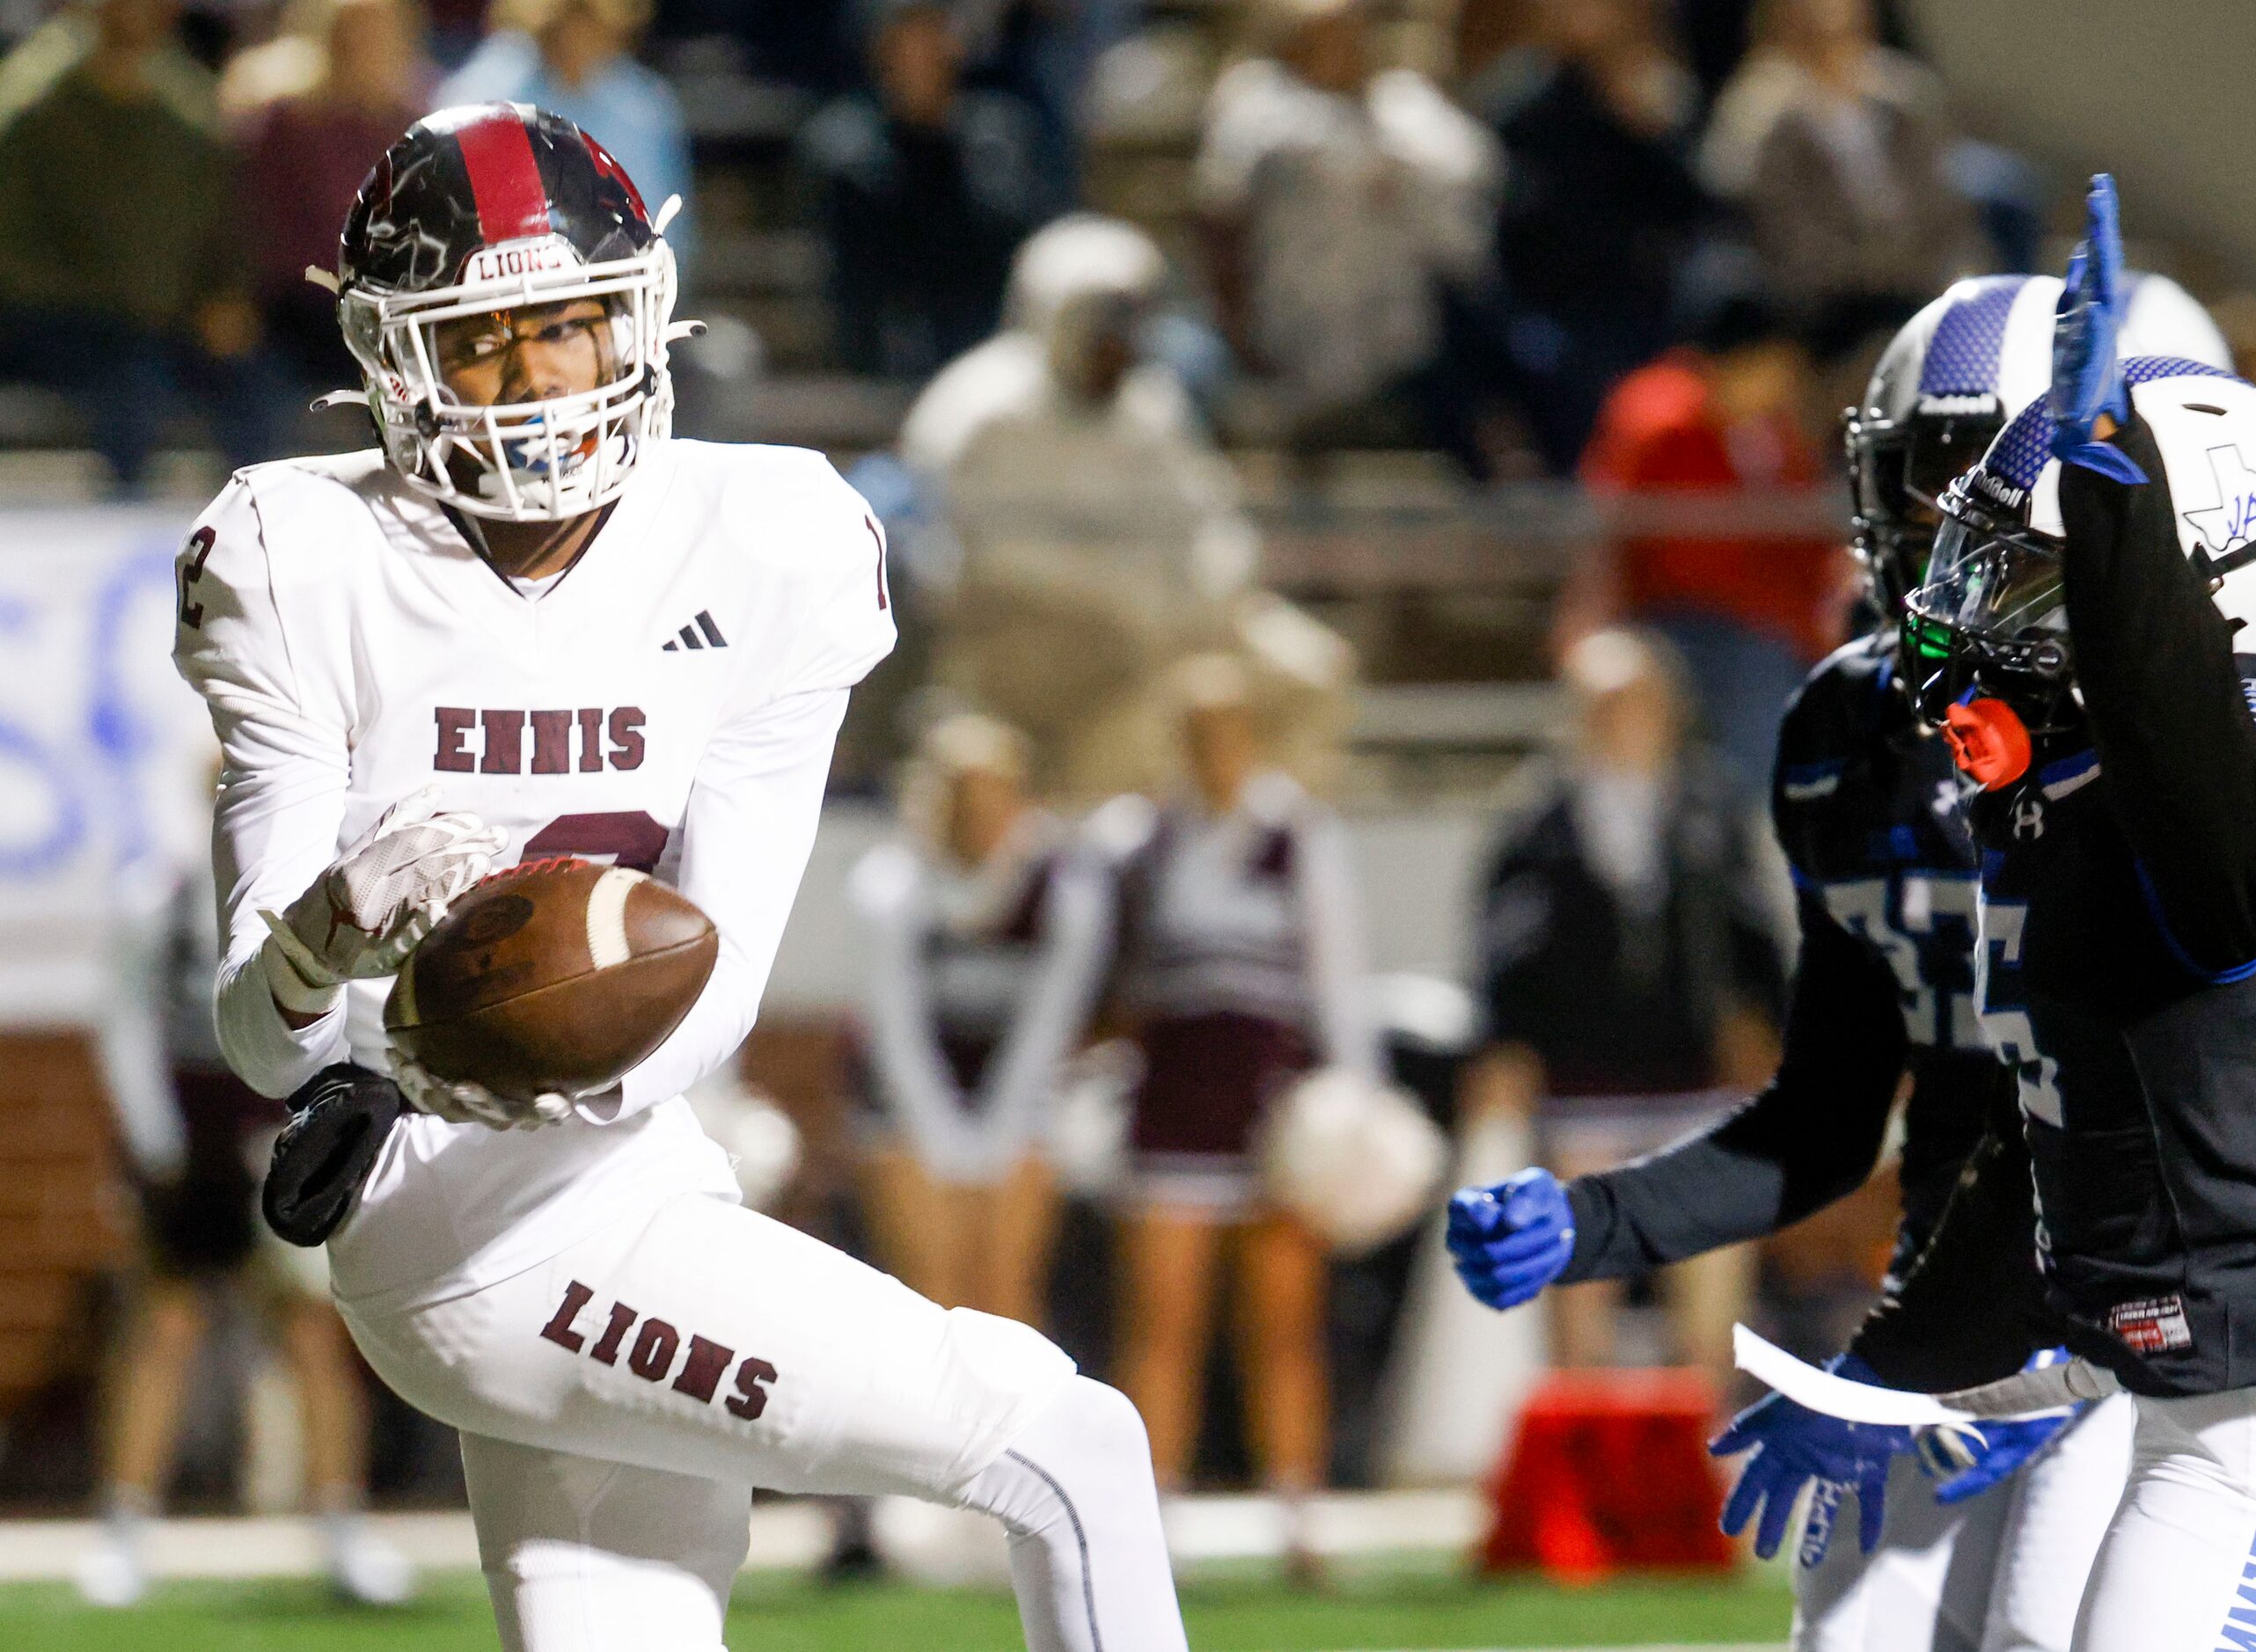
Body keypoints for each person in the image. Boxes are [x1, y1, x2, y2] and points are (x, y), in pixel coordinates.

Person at [172, 104, 1187, 1652]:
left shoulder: (765, 541)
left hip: (635, 1170)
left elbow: (707, 984)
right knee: (1069, 1447)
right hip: (458, 1224)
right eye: (483, 342)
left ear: (635, 318)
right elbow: (264, 1038)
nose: (531, 384)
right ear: (396, 362)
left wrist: (497, 1045)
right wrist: (327, 929)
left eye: (565, 328)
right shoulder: (301, 556)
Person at [1448, 265, 2233, 1652]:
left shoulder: (2188, 736)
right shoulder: (1846, 731)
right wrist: (1601, 1222)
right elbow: (1827, 1110)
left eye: (1969, 484)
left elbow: (2215, 1117)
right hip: (1958, 1316)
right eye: (1913, 480)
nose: (1927, 527)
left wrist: (2073, 1339)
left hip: (2175, 1329)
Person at [1865, 183, 2256, 1652]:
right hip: (2202, 1390)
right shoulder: (2066, 801)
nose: (1984, 603)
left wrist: (2110, 495)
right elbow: (2043, 1151)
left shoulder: (2244, 756)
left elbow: (2175, 722)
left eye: (2033, 565)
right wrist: (1894, 1372)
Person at [77, 862, 413, 1609]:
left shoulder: (318, 882)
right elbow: (128, 1021)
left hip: (281, 1129)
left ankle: (340, 1527)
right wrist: (156, 1141)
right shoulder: (160, 898)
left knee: (312, 1332)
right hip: (192, 1136)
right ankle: (123, 1529)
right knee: (165, 1327)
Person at [1100, 654, 1376, 1558]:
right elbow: (1114, 984)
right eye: (1196, 733)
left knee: (1283, 1325)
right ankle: (1151, 1510)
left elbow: (1338, 985)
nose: (1212, 749)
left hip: (1273, 1111)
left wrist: (1353, 1110)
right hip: (1169, 1103)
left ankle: (1300, 1515)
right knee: (1161, 1321)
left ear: (1253, 735)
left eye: (1227, 730)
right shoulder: (1139, 840)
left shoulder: (1300, 833)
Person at [1465, 629, 1782, 1376]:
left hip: (1693, 1067)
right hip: (1586, 1076)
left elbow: (1753, 927)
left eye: (1638, 702)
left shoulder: (1709, 804)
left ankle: (1697, 1446)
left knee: (1708, 1281)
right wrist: (1507, 1043)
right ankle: (1588, 1442)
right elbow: (1504, 942)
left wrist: (1764, 1023)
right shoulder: (1540, 818)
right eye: (1605, 706)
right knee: (1581, 1279)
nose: (1624, 721)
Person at [901, 215, 1261, 800]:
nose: (1117, 339)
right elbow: (961, 557)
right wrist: (1118, 595)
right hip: (1019, 643)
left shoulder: (1152, 407)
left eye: (1131, 320)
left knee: (1298, 672)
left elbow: (1212, 521)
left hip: (1150, 637)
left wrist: (1205, 590)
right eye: (1100, 319)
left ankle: (1262, 854)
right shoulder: (980, 410)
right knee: (1120, 715)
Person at [847, 714, 1111, 1327]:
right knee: (930, 1299)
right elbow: (896, 1032)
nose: (979, 818)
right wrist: (942, 1140)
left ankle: (1016, 1426)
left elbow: (1048, 1027)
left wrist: (994, 1138)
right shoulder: (890, 885)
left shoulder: (1066, 891)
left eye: (995, 799)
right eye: (962, 800)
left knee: (1006, 1297)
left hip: (1019, 1103)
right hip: (905, 1109)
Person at [1562, 295, 1848, 802]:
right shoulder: (1655, 415)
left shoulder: (1772, 431)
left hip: (1771, 626)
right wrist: (1588, 622)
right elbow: (1607, 531)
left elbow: (1812, 546)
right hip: (1674, 618)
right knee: (1756, 689)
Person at [1193, 0, 1499, 459]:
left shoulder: (1405, 102)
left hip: (1404, 337)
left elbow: (1474, 171)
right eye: (1327, 37)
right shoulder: (1256, 106)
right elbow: (1221, 209)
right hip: (1295, 329)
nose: (1347, 48)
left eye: (1354, 34)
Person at [0, 0, 284, 493]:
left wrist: (225, 299)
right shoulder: (33, 103)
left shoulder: (187, 108)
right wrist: (122, 302)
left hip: (167, 322)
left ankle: (259, 532)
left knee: (258, 383)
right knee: (133, 386)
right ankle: (118, 541)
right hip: (55, 321)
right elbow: (14, 252)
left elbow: (219, 231)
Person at [1483, 0, 1712, 473]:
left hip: (1646, 306)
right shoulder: (1521, 105)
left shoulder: (1658, 97)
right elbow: (1513, 228)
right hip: (1552, 313)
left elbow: (1693, 213)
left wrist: (1647, 132)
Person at [796, 0, 1061, 376]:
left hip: (985, 356)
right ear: (882, 48)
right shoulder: (843, 151)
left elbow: (1012, 251)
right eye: (911, 38)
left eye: (937, 34)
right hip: (878, 364)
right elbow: (852, 284)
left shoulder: (1004, 139)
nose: (925, 54)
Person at [1719, 0, 1981, 335]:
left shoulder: (1899, 89)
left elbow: (1944, 204)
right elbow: (1757, 203)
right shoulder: (1762, 103)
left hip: (1917, 269)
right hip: (1833, 292)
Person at [237, 0, 431, 397]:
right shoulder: (288, 120)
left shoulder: (412, 123)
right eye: (352, 33)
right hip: (295, 305)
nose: (364, 45)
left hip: (384, 307)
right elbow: (255, 220)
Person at [436, 0, 694, 274]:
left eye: (589, 18)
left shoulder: (646, 109)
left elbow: (665, 239)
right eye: (569, 16)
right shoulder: (479, 99)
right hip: (505, 289)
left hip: (621, 290)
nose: (577, 35)